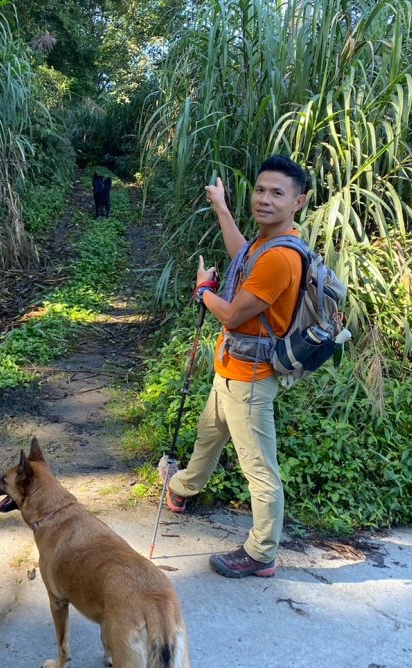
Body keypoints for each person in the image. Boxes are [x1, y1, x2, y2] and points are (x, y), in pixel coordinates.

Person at [164, 154, 309, 578]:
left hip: (249, 381)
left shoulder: (281, 258)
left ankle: (262, 553)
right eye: (260, 190)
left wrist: (203, 290)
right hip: (230, 371)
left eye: (277, 193)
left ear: (298, 202)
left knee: (260, 470)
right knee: (207, 439)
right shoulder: (266, 245)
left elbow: (230, 315)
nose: (265, 199)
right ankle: (181, 488)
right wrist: (222, 207)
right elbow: (241, 254)